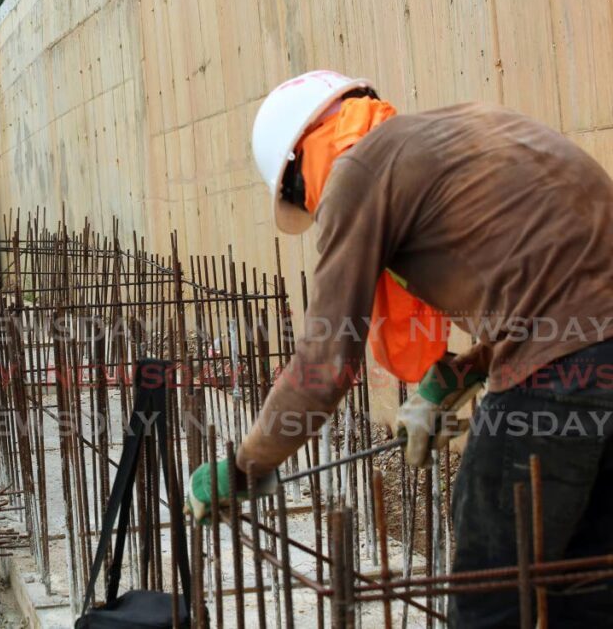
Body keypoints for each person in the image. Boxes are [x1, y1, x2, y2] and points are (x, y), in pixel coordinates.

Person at [188, 70, 613, 626]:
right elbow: (565, 292)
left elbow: (324, 368)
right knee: (585, 585)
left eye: (296, 193)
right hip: (588, 362)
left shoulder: (357, 172)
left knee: (490, 592)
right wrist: (456, 377)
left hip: (556, 379)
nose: (311, 207)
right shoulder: (451, 132)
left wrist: (244, 466)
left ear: (302, 156)